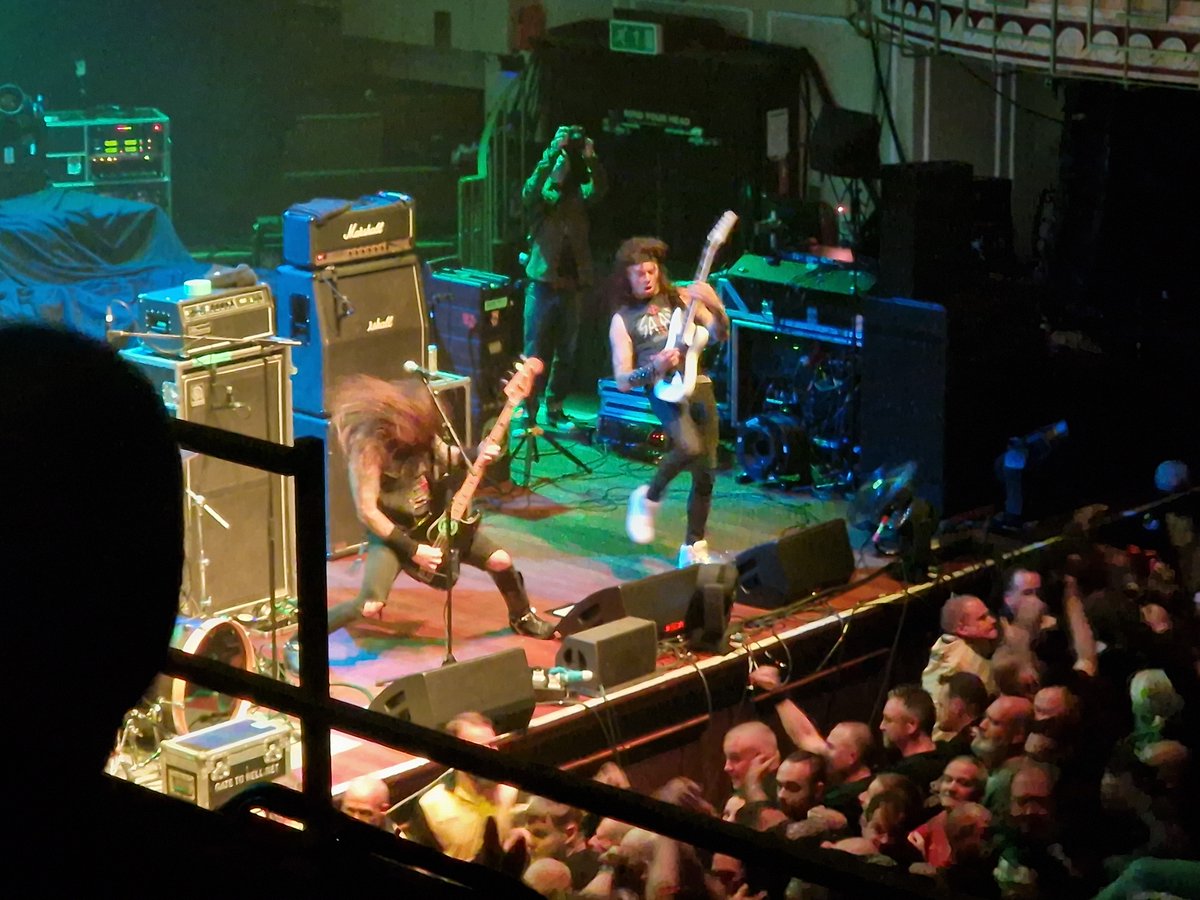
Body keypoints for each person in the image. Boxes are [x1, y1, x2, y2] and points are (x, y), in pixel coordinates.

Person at [312, 374, 554, 642]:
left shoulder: (421, 434)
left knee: (501, 561)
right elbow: (368, 512)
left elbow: (448, 456)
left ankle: (522, 617)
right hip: (395, 536)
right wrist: (414, 551)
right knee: (370, 605)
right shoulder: (369, 450)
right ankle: (306, 636)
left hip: (435, 523)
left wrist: (477, 453)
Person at [610, 236, 729, 567]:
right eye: (639, 273)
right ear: (627, 277)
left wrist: (715, 304)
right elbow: (621, 380)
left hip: (698, 382)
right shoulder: (622, 320)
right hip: (663, 387)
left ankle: (693, 547)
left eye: (651, 271)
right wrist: (654, 367)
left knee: (706, 472)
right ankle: (648, 498)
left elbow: (721, 334)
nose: (647, 277)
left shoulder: (681, 298)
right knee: (689, 447)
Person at [521, 123, 607, 428]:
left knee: (566, 352)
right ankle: (528, 411)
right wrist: (551, 153)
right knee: (534, 350)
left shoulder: (579, 201)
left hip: (573, 286)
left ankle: (554, 407)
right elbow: (531, 188)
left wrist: (590, 157)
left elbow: (598, 189)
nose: (564, 168)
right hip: (542, 284)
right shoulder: (541, 203)